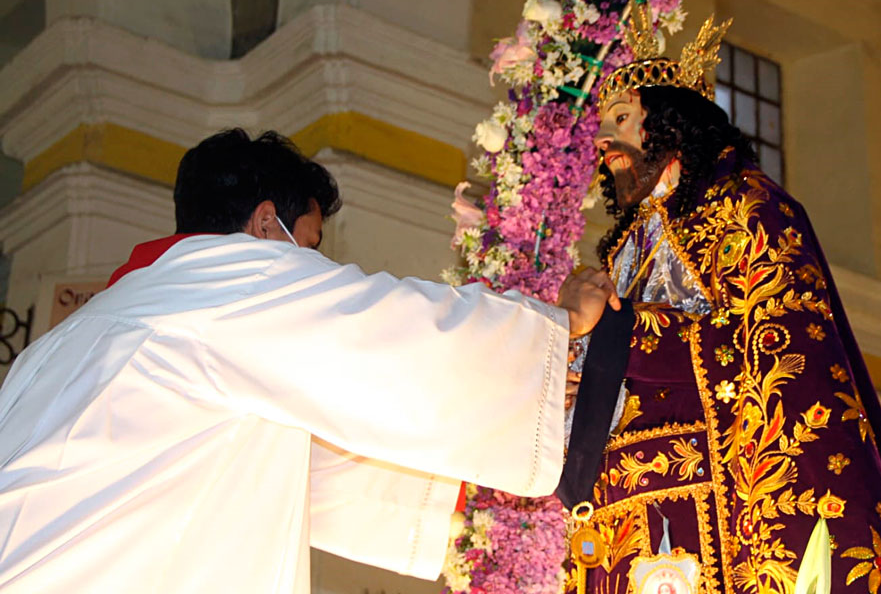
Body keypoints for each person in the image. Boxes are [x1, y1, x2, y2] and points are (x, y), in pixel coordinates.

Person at [0, 129, 619, 594]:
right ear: (268, 225)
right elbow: (380, 337)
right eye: (312, 248)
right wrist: (551, 327)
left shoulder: (77, 336)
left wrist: (478, 461)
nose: (314, 269)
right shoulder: (224, 279)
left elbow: (298, 463)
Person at [557, 8, 881, 594]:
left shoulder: (745, 207)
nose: (604, 139)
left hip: (717, 496)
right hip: (616, 504)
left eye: (622, 118)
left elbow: (777, 343)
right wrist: (570, 369)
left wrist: (617, 331)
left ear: (670, 124)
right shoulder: (622, 249)